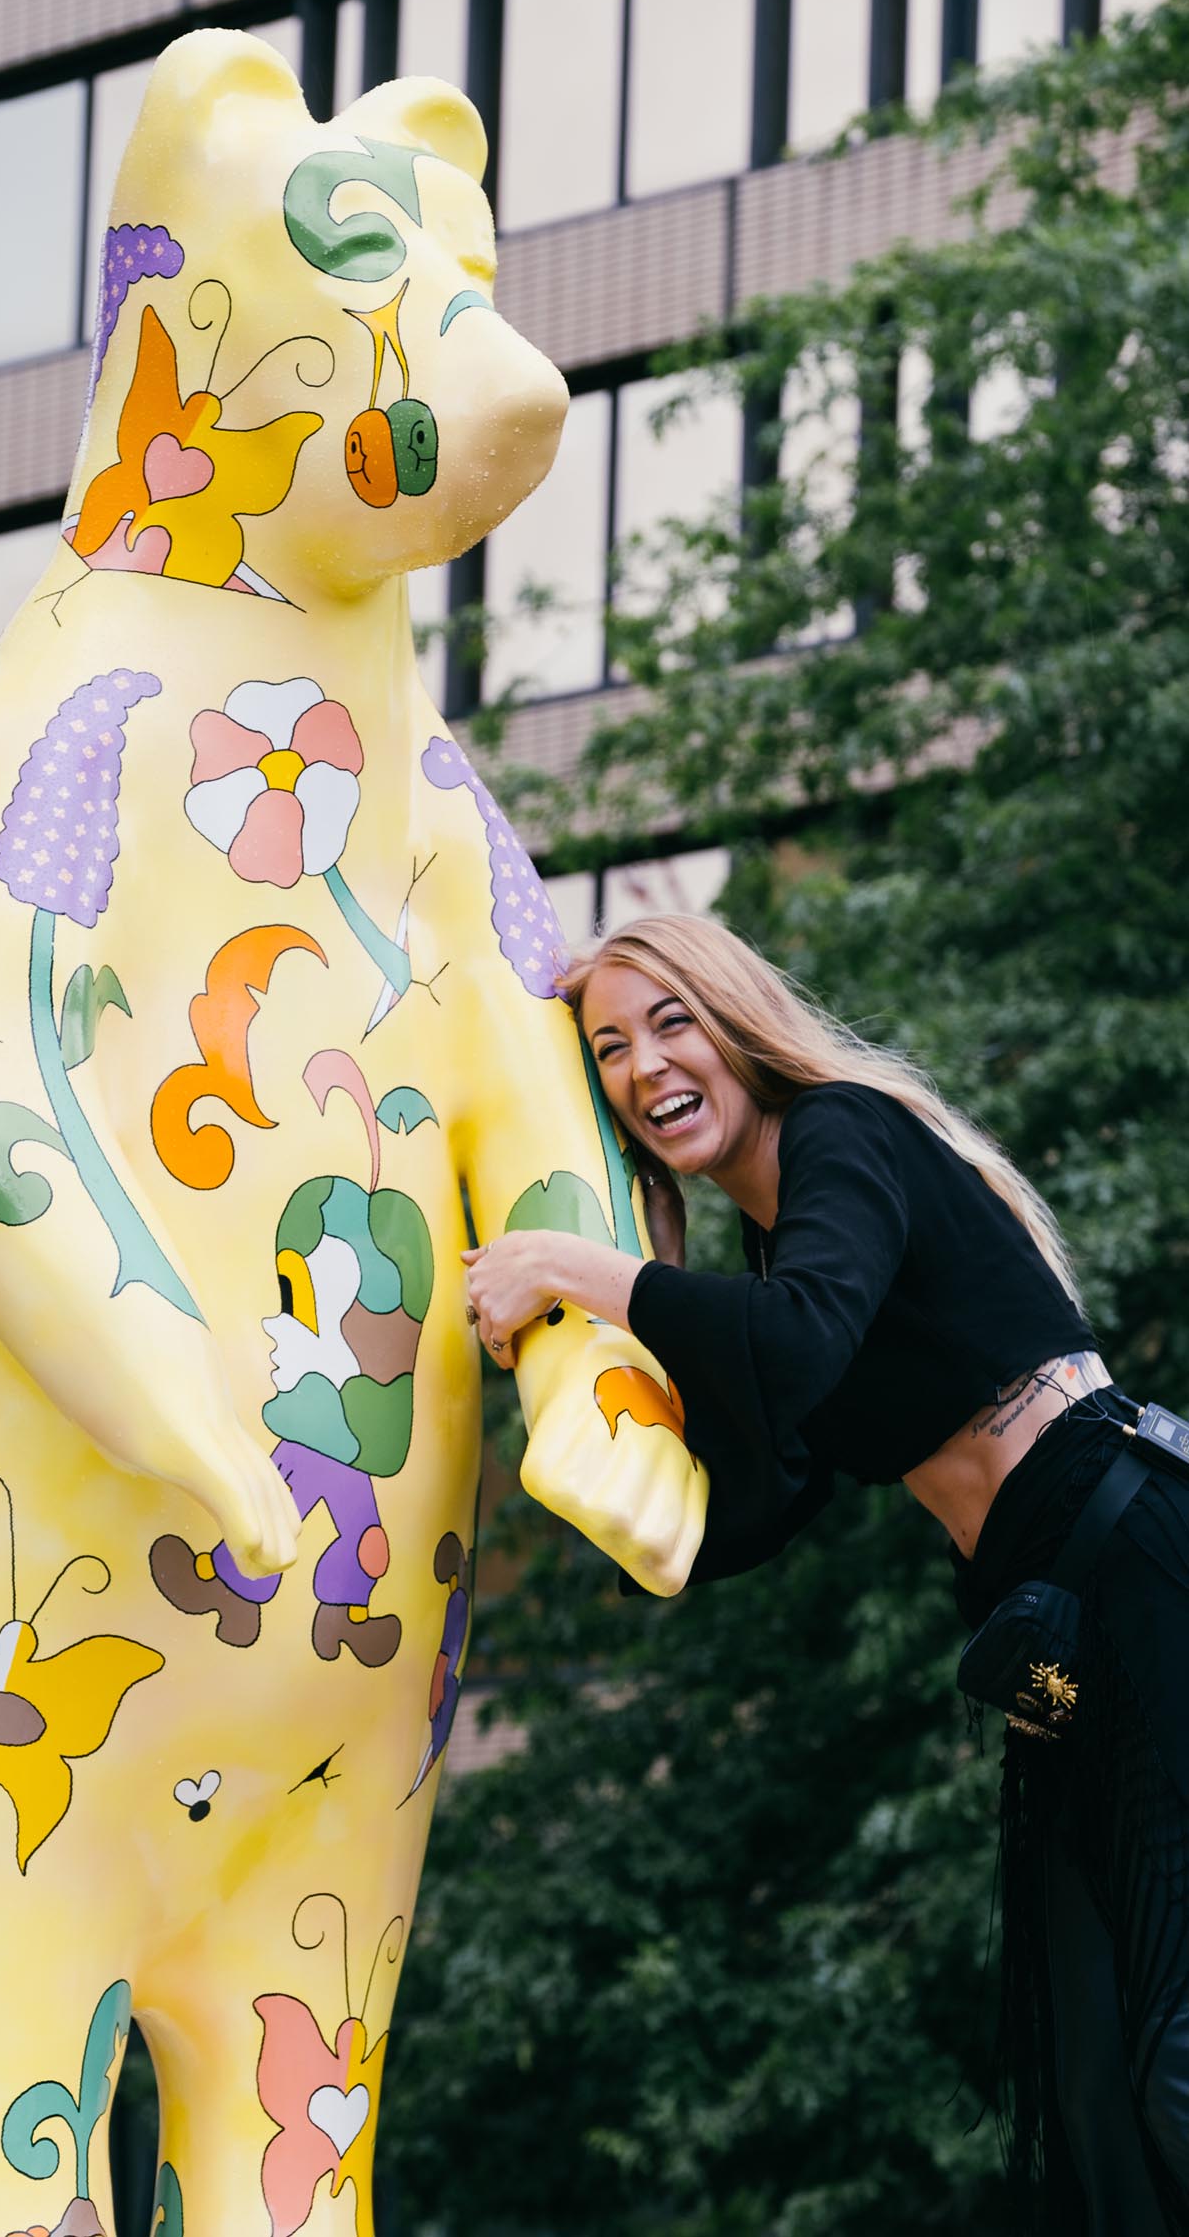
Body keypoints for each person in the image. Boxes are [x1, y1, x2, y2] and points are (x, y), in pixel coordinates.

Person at [462, 911, 1189, 2236]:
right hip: (1055, 1633)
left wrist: (576, 1265)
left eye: (672, 1020)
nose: (644, 1064)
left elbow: (796, 1350)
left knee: (1174, 2049)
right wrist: (573, 1393)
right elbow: (742, 1514)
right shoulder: (770, 1261)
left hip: (1137, 1558)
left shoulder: (847, 1138)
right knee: (1095, 2071)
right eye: (610, 1047)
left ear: (739, 1024)